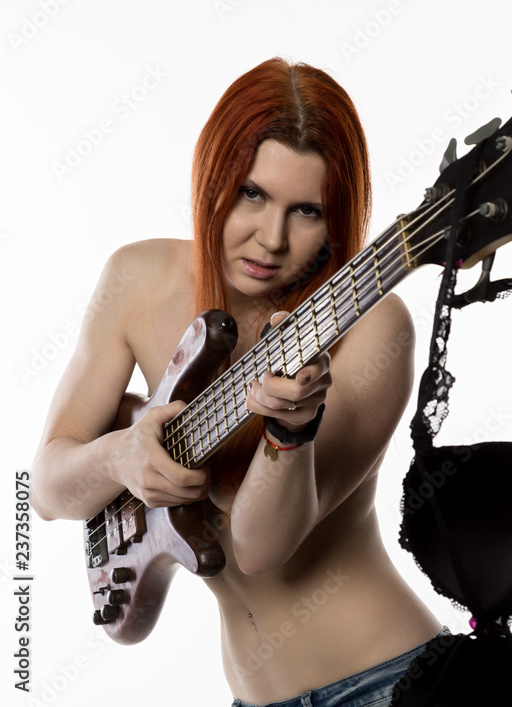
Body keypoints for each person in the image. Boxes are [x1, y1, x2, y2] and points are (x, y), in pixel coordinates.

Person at [29, 57, 443, 706]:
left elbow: (260, 546)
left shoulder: (371, 323)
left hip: (391, 681)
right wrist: (122, 453)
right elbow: (49, 489)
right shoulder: (135, 279)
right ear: (214, 177)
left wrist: (290, 428)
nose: (271, 238)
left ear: (336, 222)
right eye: (252, 193)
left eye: (306, 210)